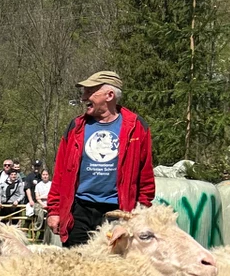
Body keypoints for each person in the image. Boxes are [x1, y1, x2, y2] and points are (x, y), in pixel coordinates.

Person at [47, 70, 155, 246]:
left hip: (117, 212)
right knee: (75, 265)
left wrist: (140, 213)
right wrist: (54, 210)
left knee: (111, 267)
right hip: (79, 210)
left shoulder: (136, 127)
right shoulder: (76, 127)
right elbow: (60, 172)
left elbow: (146, 176)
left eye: (89, 92)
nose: (83, 98)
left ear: (109, 95)